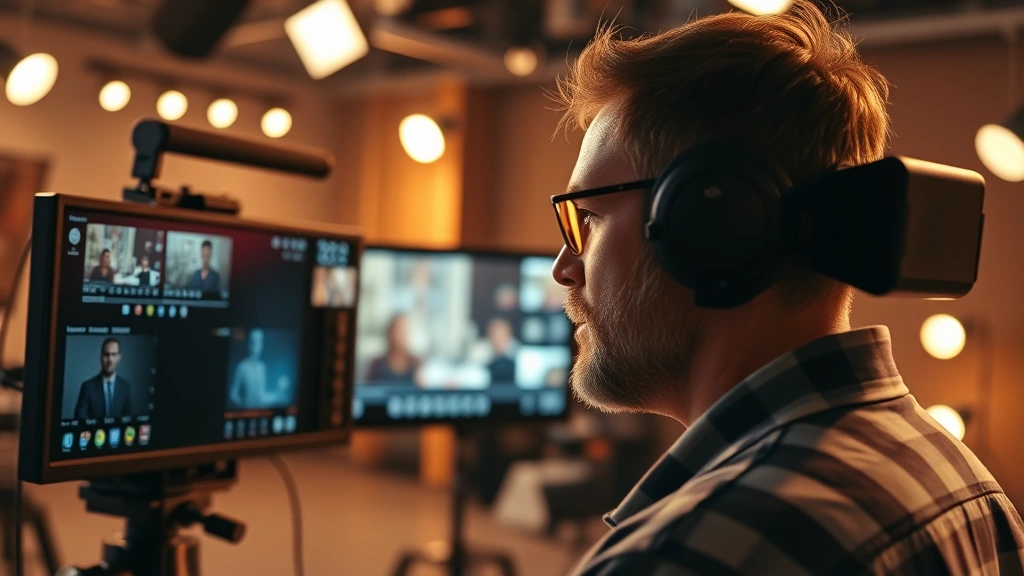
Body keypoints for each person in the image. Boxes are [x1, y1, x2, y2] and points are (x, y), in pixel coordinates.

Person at [549, 3, 1024, 574]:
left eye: (589, 218)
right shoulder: (966, 484)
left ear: (709, 226)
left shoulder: (682, 554)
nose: (564, 267)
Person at [229, 328, 290, 409]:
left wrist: (279, 391)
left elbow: (261, 396)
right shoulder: (242, 366)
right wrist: (244, 406)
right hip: (248, 411)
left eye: (259, 342)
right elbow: (233, 394)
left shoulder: (262, 367)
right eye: (253, 342)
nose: (256, 345)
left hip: (260, 410)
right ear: (249, 343)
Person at [74, 338, 132, 419]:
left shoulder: (125, 386)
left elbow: (129, 419)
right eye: (106, 354)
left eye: (114, 354)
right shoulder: (87, 386)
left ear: (119, 357)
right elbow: (79, 418)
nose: (110, 359)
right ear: (101, 357)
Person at [366, 314, 421, 385]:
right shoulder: (376, 365)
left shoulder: (416, 364)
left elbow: (421, 391)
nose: (399, 336)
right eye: (397, 330)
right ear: (389, 333)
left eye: (403, 331)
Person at [485, 318, 516, 383]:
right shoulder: (481, 357)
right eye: (495, 334)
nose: (498, 339)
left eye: (502, 334)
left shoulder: (519, 358)